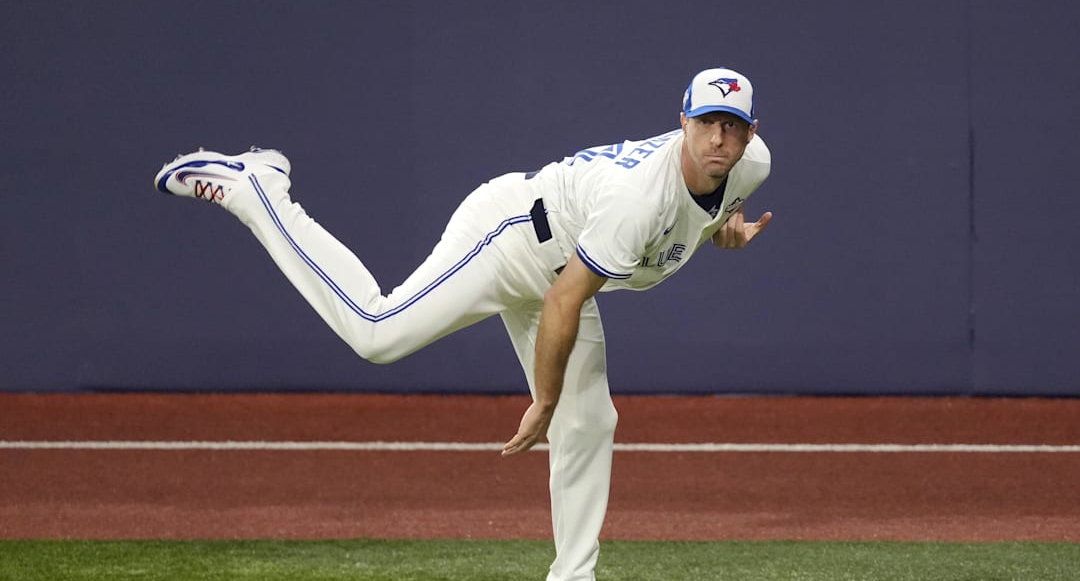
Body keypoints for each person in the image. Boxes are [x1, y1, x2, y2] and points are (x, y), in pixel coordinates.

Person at [153, 67, 772, 581]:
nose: (719, 137)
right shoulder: (639, 199)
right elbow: (563, 299)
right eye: (707, 122)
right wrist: (543, 398)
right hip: (509, 236)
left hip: (563, 263)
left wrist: (725, 230)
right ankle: (259, 190)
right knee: (377, 332)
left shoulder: (750, 165)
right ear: (682, 122)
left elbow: (708, 207)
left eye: (733, 126)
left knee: (590, 421)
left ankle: (573, 577)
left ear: (751, 134)